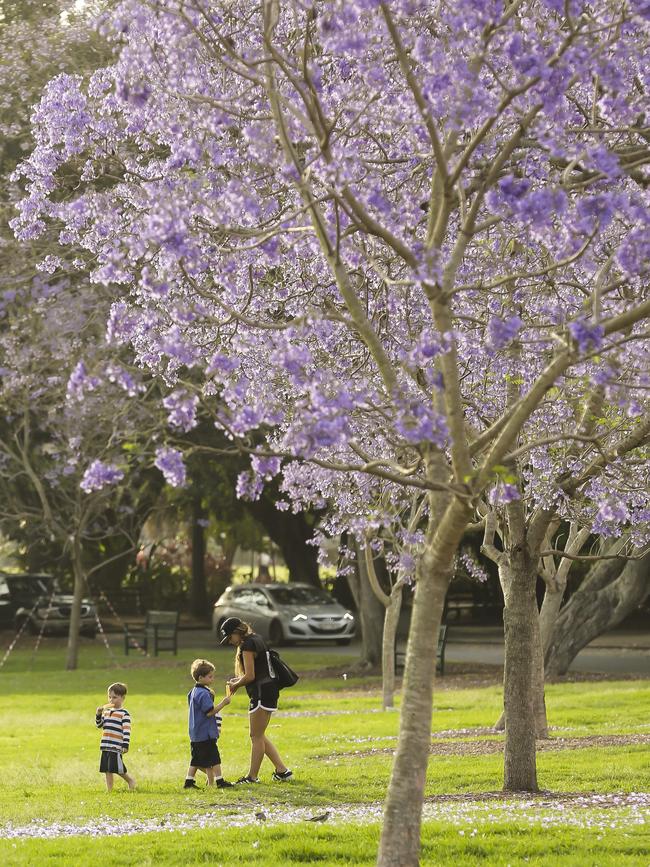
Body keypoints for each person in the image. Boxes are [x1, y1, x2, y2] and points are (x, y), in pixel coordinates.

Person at [221, 617, 293, 784]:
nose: (231, 642)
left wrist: (236, 684)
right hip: (269, 689)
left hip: (261, 691)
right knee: (259, 735)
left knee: (255, 736)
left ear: (237, 632)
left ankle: (252, 777)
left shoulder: (247, 645)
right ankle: (282, 771)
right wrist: (238, 682)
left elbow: (250, 676)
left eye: (230, 638)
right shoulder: (257, 639)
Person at [184, 658, 233, 790]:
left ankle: (189, 782)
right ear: (201, 677)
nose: (212, 679)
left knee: (196, 759)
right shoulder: (203, 693)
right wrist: (223, 703)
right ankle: (220, 781)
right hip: (205, 733)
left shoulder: (193, 692)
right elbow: (209, 712)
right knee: (214, 757)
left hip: (195, 732)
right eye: (210, 677)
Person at [95, 682, 136, 792]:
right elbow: (99, 725)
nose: (111, 700)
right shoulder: (106, 712)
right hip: (105, 745)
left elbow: (127, 730)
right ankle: (110, 790)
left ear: (122, 698)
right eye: (109, 697)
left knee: (118, 768)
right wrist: (98, 714)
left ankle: (130, 780)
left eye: (115, 697)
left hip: (116, 746)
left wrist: (125, 744)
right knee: (107, 769)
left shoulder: (124, 714)